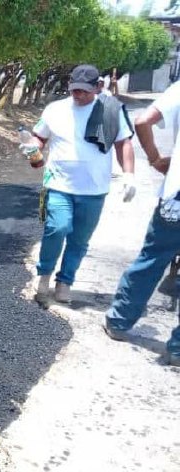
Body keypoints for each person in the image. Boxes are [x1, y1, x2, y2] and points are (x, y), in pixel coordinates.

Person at [22, 64, 136, 304]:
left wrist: (129, 175)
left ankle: (65, 281)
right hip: (59, 185)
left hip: (94, 190)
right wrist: (32, 147)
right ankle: (44, 274)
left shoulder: (110, 111)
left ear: (98, 87)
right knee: (57, 228)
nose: (78, 95)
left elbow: (123, 143)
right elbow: (39, 136)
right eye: (74, 90)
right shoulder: (55, 109)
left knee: (79, 240)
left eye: (84, 91)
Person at [103, 81, 180, 367]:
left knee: (152, 260)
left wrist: (156, 158)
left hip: (176, 201)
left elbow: (143, 120)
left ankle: (119, 321)